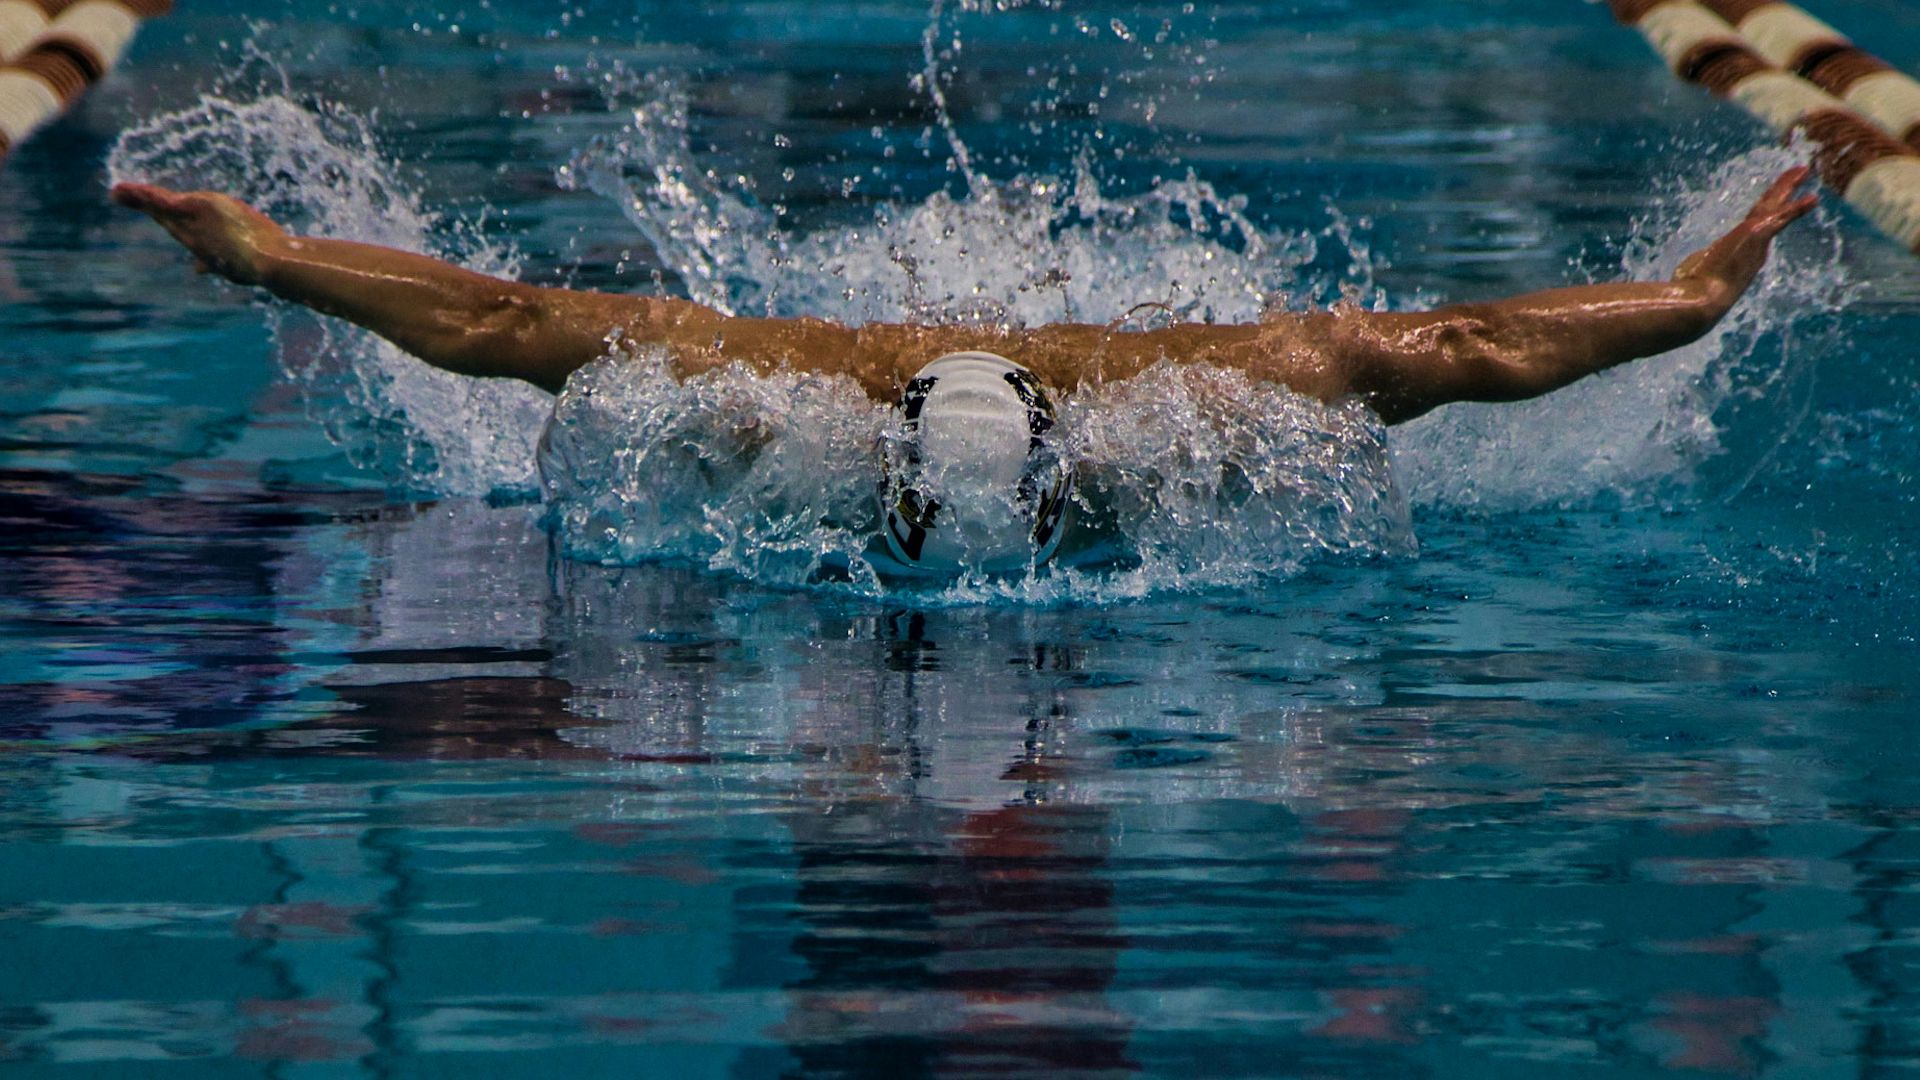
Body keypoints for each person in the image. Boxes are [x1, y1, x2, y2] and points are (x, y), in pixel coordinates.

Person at [111, 168, 1819, 572]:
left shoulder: (1205, 387)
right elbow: (494, 323)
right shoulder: (786, 382)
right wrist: (268, 256)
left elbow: (1460, 346)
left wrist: (1692, 296)